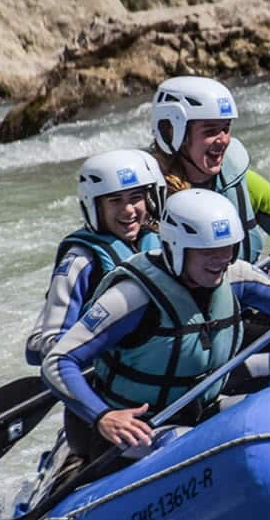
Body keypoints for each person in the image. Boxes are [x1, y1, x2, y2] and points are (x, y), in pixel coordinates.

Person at [42, 189, 270, 467]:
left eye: (228, 248)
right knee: (194, 447)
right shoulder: (132, 297)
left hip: (202, 406)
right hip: (141, 429)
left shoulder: (234, 274)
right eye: (208, 250)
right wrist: (102, 417)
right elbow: (57, 361)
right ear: (177, 248)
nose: (221, 259)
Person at [150, 75, 270, 273]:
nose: (223, 140)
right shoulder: (149, 199)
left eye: (226, 128)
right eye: (210, 131)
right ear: (172, 132)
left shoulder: (243, 182)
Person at [25, 149, 165, 366]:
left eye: (136, 198)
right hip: (109, 381)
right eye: (115, 200)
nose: (128, 210)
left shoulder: (162, 244)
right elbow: (51, 346)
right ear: (96, 206)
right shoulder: (79, 262)